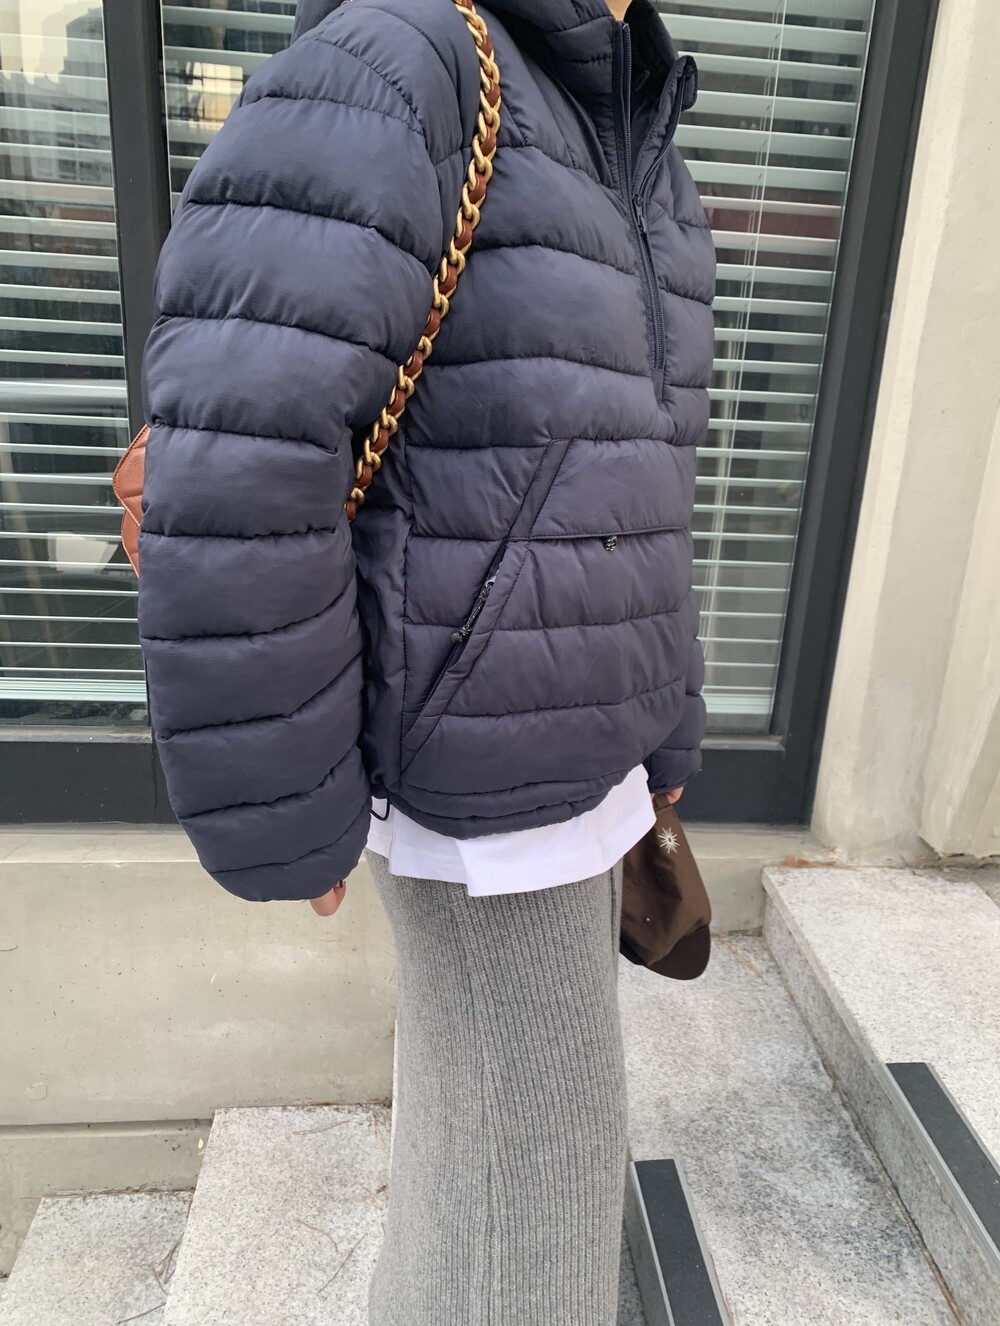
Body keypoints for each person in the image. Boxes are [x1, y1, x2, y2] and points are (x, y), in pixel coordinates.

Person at [138, 0, 713, 1319]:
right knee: (539, 1207)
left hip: (578, 754)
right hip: (476, 759)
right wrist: (285, 809)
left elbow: (646, 479)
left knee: (484, 1167)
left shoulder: (634, 127)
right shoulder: (406, 63)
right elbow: (242, 451)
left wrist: (663, 732)